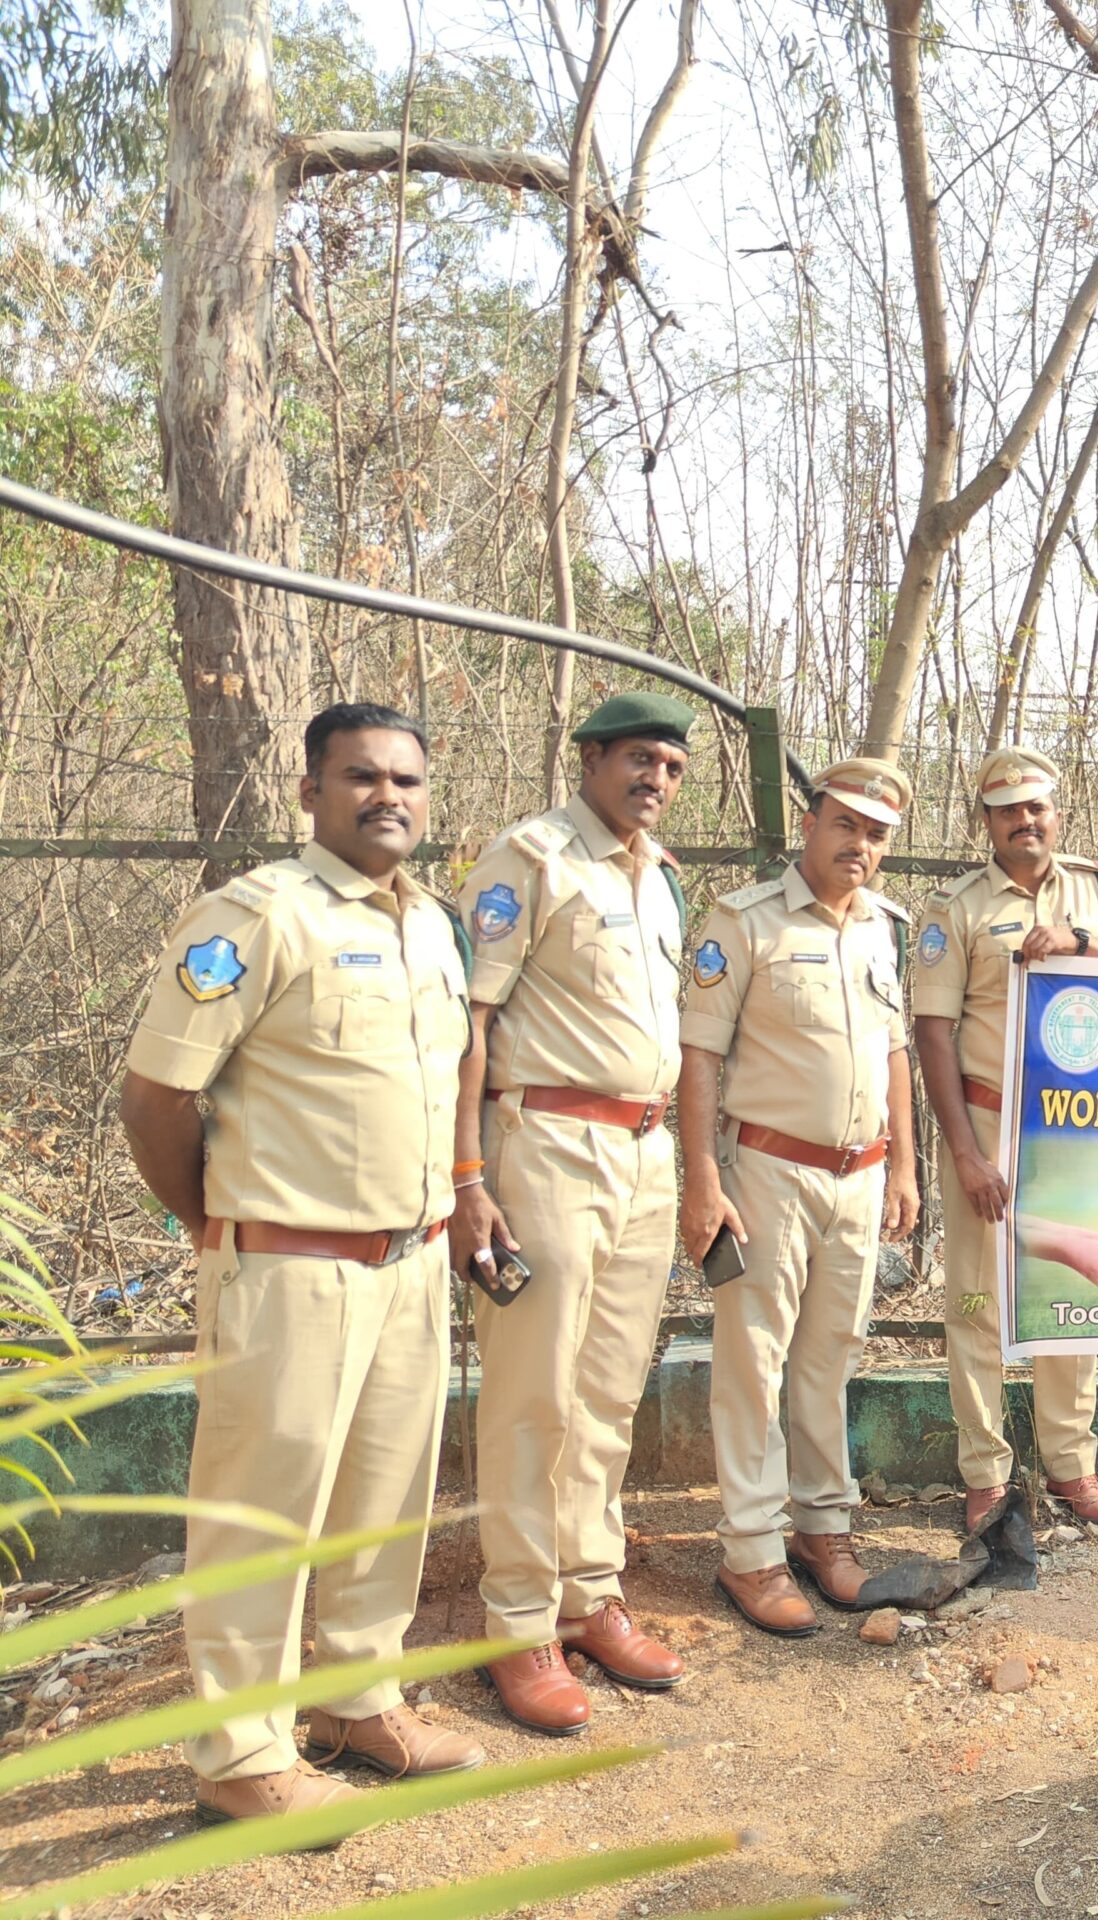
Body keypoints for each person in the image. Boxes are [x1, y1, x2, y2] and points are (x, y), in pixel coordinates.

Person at [120, 703, 483, 1828]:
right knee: (260, 1513)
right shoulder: (260, 916)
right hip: (286, 1267)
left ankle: (355, 1702)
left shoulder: (432, 924)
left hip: (410, 1261)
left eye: (407, 781)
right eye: (362, 776)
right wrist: (218, 1223)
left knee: (386, 1498)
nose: (388, 797)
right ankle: (241, 1754)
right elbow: (157, 1097)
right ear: (311, 792)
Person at [453, 691, 695, 1732]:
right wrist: (466, 1176)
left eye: (674, 768)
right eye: (640, 759)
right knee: (531, 1393)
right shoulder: (533, 859)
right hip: (545, 1141)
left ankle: (588, 1594)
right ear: (590, 758)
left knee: (606, 1390)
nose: (656, 780)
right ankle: (516, 1622)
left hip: (645, 1149)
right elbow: (472, 1017)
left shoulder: (657, 880)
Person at [677, 758, 922, 1637]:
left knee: (831, 1356)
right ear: (811, 824)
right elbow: (698, 1055)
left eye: (878, 834)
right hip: (768, 1174)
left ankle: (824, 1530)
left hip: (859, 1175)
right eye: (846, 824)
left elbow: (895, 1049)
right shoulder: (744, 923)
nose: (861, 845)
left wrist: (903, 1165)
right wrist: (700, 1177)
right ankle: (750, 1551)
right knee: (754, 1361)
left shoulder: (881, 930)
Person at [912, 745, 1098, 1529]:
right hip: (986, 1122)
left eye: (1038, 807)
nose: (1026, 821)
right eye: (1009, 809)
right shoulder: (956, 910)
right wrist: (963, 1152)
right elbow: (932, 1033)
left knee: (1073, 1291)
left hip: (1073, 1128)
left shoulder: (1092, 892)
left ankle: (1070, 1462)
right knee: (979, 1299)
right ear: (986, 821)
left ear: (1056, 813)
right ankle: (985, 1469)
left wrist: (1082, 944)